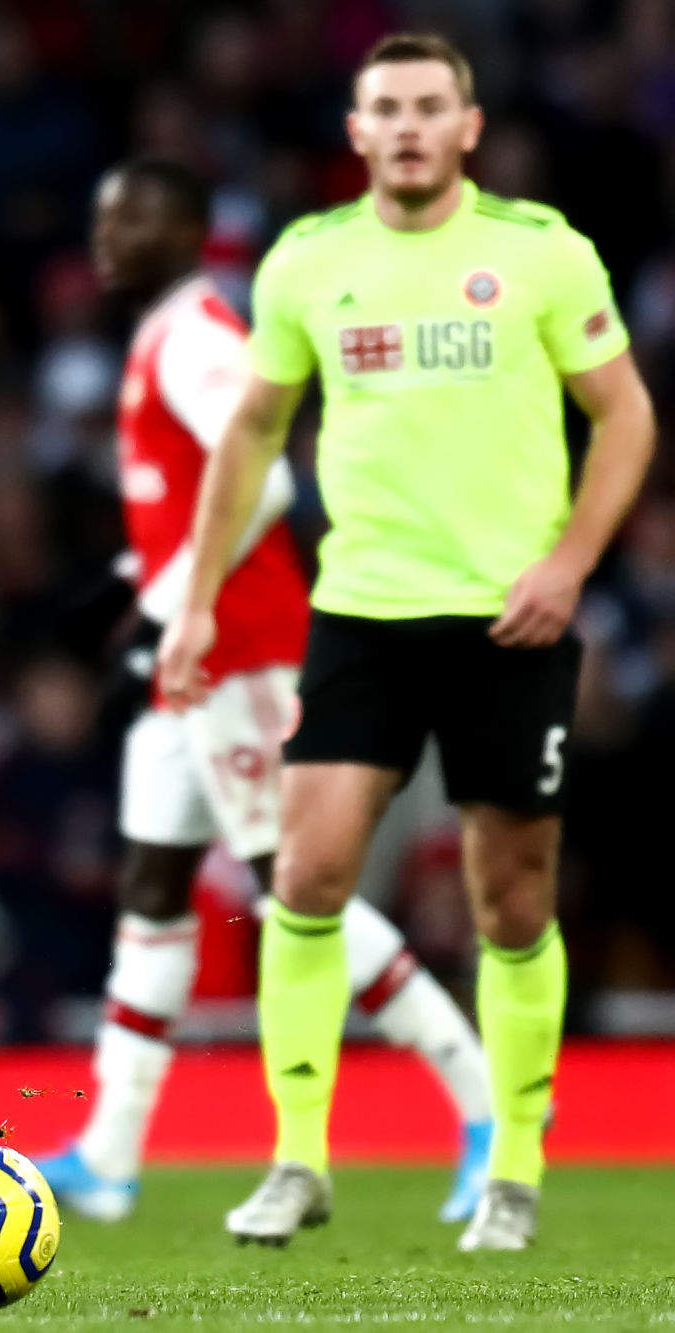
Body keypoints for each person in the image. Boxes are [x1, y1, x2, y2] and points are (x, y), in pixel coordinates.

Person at [159, 34, 655, 1252]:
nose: (409, 127)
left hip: (507, 615)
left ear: (466, 128)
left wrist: (567, 564)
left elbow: (624, 414)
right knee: (303, 875)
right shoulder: (307, 260)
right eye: (386, 108)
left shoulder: (540, 252)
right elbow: (249, 432)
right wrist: (196, 595)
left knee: (510, 899)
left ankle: (514, 1166)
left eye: (430, 107)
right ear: (357, 130)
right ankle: (295, 1158)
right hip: (363, 610)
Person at [37, 159, 495, 1226]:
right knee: (152, 887)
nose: (108, 237)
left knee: (298, 892)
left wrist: (168, 604)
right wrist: (130, 585)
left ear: (188, 231)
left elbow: (268, 478)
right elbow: (195, 494)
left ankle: (486, 1108)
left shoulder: (195, 337)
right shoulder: (163, 334)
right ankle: (108, 1154)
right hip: (192, 666)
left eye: (133, 217)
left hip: (239, 656)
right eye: (102, 217)